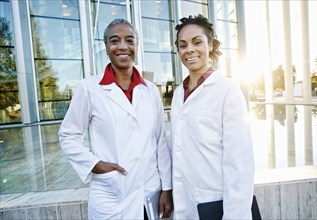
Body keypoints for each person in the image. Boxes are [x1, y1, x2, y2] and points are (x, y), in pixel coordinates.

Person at [58, 18, 173, 219]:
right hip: (113, 195)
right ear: (106, 47)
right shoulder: (89, 88)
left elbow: (160, 140)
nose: (122, 47)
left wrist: (167, 188)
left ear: (137, 46)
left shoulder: (150, 90)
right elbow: (68, 135)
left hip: (150, 192)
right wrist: (95, 164)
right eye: (114, 41)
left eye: (129, 40)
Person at [171, 14, 255, 219]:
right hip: (185, 204)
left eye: (197, 42)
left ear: (211, 45)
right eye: (183, 45)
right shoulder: (178, 94)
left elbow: (240, 164)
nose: (189, 49)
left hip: (216, 205)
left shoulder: (228, 91)